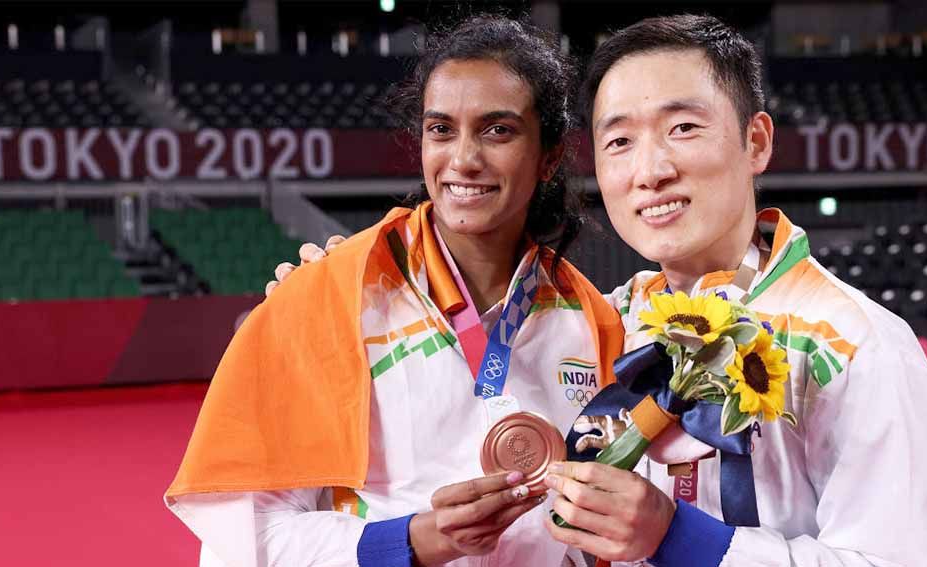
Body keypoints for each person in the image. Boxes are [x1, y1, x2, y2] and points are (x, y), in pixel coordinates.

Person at [275, 14, 927, 567]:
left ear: (756, 141)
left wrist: (680, 539)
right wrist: (351, 287)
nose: (651, 169)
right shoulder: (610, 321)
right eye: (619, 142)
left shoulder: (858, 346)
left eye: (683, 128)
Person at [165, 15, 623, 567]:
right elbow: (240, 540)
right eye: (441, 129)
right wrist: (411, 541)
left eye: (497, 129)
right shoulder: (330, 293)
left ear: (549, 156)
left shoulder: (593, 322)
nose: (463, 159)